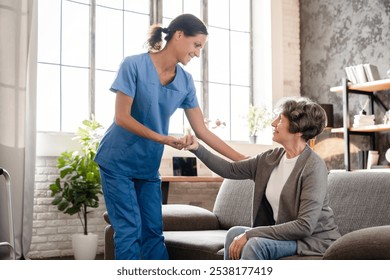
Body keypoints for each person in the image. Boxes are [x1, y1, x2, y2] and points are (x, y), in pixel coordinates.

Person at [94, 14, 246, 260]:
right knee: (129, 230)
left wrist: (244, 159)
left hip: (148, 166)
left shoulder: (185, 81)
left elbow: (202, 131)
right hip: (117, 162)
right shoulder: (133, 65)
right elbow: (121, 117)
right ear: (178, 35)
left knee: (154, 233)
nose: (197, 53)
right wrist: (162, 139)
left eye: (201, 48)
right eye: (196, 45)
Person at [185, 97, 341, 260]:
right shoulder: (270, 158)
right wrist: (197, 148)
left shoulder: (313, 167)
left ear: (299, 128)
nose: (273, 123)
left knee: (254, 243)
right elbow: (230, 169)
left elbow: (305, 226)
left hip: (312, 240)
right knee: (234, 234)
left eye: (280, 119)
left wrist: (251, 234)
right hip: (287, 235)